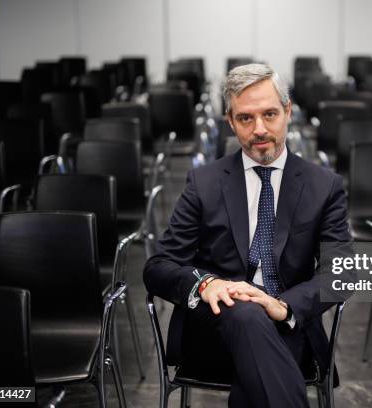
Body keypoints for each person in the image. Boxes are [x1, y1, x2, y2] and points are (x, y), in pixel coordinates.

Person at [144, 63, 351, 407]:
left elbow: (342, 273)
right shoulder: (205, 183)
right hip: (213, 333)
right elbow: (158, 266)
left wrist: (282, 306)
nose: (259, 129)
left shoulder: (323, 186)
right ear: (230, 120)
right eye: (245, 118)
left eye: (270, 114)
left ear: (288, 111)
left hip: (288, 325)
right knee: (243, 309)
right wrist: (207, 284)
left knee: (256, 363)